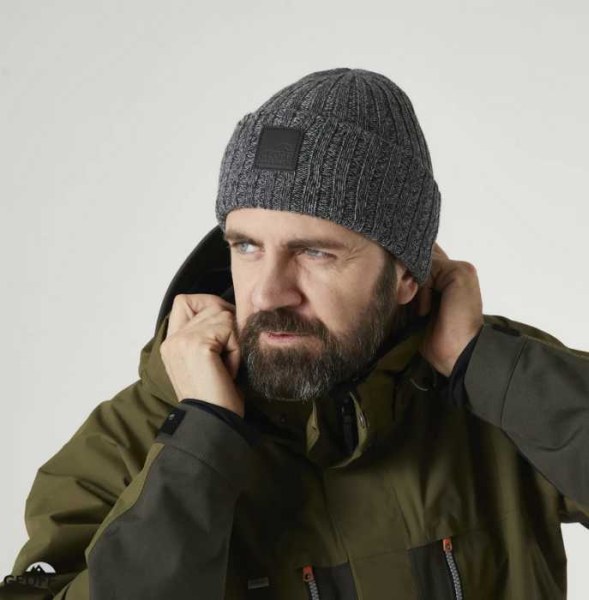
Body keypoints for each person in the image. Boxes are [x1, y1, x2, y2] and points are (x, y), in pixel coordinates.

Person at [1, 67, 588, 600]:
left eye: (315, 252)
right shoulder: (135, 438)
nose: (267, 293)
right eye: (246, 246)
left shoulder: (501, 392)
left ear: (406, 275)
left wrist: (482, 364)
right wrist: (201, 442)